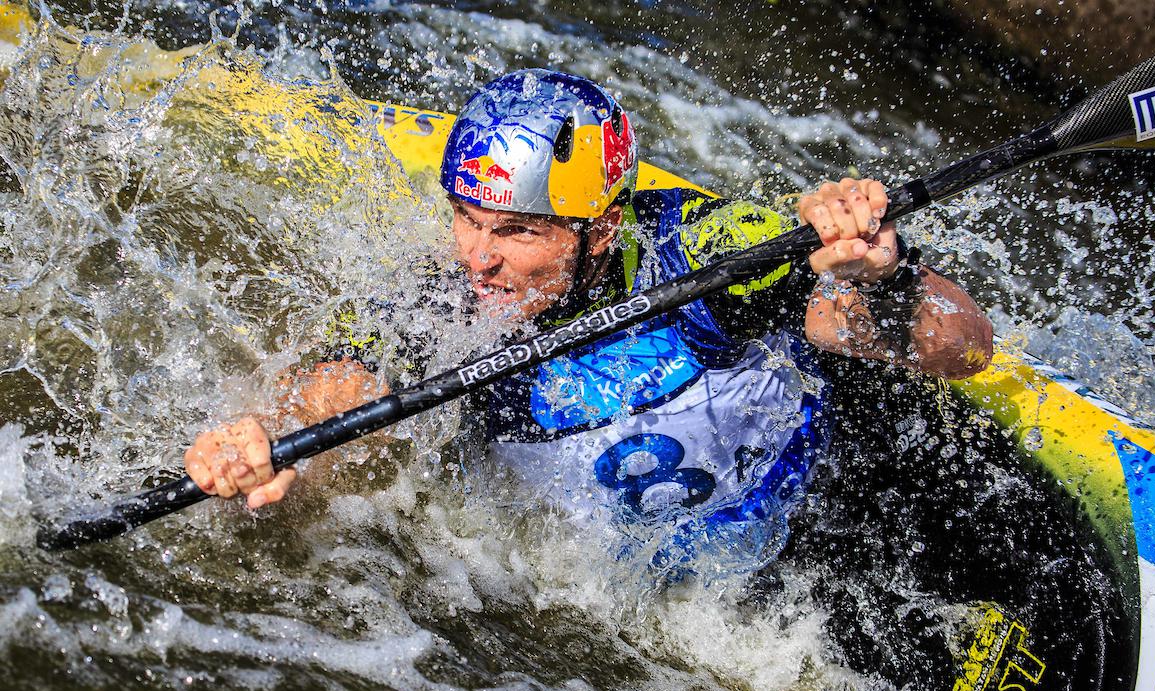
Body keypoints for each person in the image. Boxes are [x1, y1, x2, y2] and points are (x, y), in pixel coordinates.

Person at [184, 69, 992, 579]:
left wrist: (883, 274)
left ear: (599, 231)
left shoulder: (700, 250)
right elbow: (345, 382)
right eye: (468, 220)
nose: (479, 259)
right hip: (673, 594)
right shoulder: (448, 300)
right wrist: (278, 435)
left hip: (831, 513)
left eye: (516, 232)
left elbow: (965, 348)